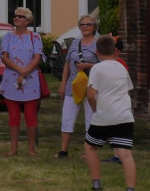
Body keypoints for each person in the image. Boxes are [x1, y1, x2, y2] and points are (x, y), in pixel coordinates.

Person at [84, 35, 137, 191]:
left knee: (90, 147)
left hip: (104, 116)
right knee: (126, 154)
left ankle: (96, 184)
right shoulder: (122, 67)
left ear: (97, 52)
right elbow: (127, 92)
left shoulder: (96, 69)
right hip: (124, 116)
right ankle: (131, 188)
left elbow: (91, 95)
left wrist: (95, 109)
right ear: (115, 51)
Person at [0, 6, 44, 157]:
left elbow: (37, 57)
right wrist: (20, 70)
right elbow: (4, 57)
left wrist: (25, 72)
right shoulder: (7, 37)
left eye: (20, 16)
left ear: (28, 21)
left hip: (30, 81)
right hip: (11, 80)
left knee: (31, 115)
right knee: (13, 116)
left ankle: (31, 149)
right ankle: (13, 149)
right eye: (15, 15)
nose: (16, 17)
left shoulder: (35, 37)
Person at [55, 14, 99, 158]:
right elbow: (67, 64)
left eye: (88, 24)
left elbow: (103, 65)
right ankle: (63, 150)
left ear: (94, 27)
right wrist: (62, 84)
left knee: (90, 119)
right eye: (82, 24)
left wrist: (88, 65)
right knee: (67, 117)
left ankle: (90, 151)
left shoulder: (98, 44)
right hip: (73, 85)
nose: (85, 27)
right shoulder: (75, 43)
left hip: (91, 85)